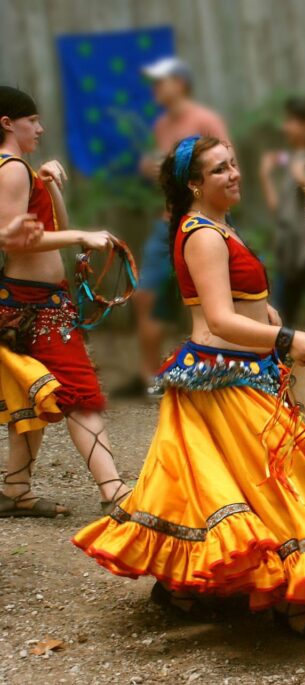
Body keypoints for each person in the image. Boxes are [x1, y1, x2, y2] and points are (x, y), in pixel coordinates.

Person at [73, 136, 305, 637]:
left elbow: (244, 303)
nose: (234, 174)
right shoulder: (201, 235)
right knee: (275, 483)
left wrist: (273, 320)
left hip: (248, 371)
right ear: (194, 185)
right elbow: (218, 320)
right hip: (221, 378)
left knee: (235, 487)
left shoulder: (221, 227)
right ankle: (291, 598)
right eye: (220, 170)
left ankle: (185, 588)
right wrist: (284, 338)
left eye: (235, 164)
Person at [0, 85, 131, 518]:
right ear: (7, 123)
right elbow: (11, 236)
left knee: (33, 397)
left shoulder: (21, 169)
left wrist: (49, 186)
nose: (40, 127)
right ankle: (114, 490)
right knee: (80, 392)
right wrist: (79, 237)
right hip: (34, 304)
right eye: (32, 121)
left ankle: (16, 490)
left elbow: (50, 227)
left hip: (35, 299)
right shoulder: (12, 167)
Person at [115, 57, 231, 399]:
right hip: (168, 223)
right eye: (153, 83)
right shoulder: (162, 125)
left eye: (161, 82)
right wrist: (153, 168)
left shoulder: (205, 120)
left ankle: (228, 373)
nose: (156, 89)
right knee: (146, 297)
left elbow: (227, 162)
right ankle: (151, 380)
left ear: (180, 83)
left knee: (218, 299)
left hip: (206, 221)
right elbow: (166, 171)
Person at [258, 97, 305, 334]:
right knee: (279, 321)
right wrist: (265, 177)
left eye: (291, 121)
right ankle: (281, 368)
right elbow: (280, 212)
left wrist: (302, 176)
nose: (285, 127)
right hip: (290, 255)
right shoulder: (292, 160)